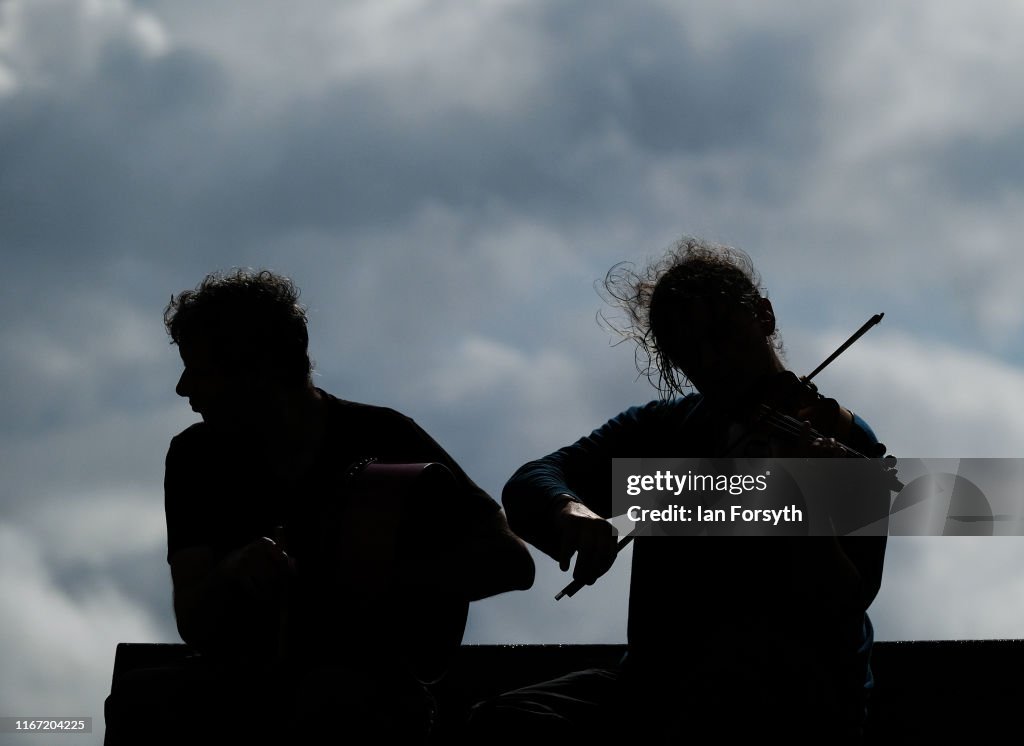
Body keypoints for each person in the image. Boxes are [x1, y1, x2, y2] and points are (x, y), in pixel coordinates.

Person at [470, 238, 891, 742]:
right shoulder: (665, 430)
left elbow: (849, 596)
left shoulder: (845, 440)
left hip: (791, 703)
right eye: (689, 351)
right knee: (500, 723)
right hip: (660, 688)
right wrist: (569, 511)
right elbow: (533, 479)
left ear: (764, 316)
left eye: (722, 335)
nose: (712, 361)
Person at [105, 269, 534, 745]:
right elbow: (194, 620)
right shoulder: (194, 458)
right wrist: (232, 573)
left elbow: (511, 560)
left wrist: (370, 584)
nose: (184, 388)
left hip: (373, 693)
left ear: (255, 367)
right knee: (138, 698)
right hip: (248, 683)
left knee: (335, 701)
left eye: (198, 368)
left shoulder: (385, 435)